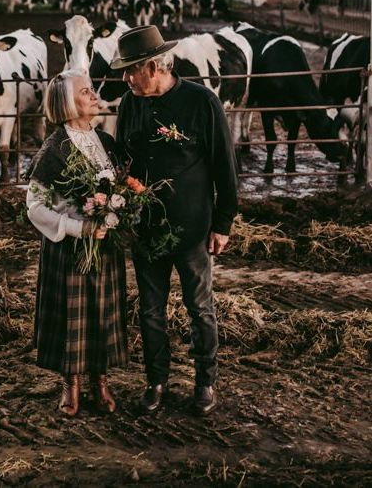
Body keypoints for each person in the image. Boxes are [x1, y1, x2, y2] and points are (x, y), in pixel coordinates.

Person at [111, 25, 237, 416]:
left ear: (154, 66)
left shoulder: (202, 103)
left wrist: (223, 223)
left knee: (199, 307)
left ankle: (205, 382)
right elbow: (121, 163)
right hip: (145, 229)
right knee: (150, 310)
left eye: (131, 70)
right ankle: (156, 381)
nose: (126, 79)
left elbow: (225, 167)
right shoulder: (129, 105)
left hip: (193, 228)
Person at [25, 69, 128, 417]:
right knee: (72, 316)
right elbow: (34, 208)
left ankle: (100, 380)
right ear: (69, 104)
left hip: (105, 247)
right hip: (69, 248)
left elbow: (118, 191)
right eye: (86, 92)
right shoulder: (54, 150)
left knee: (102, 313)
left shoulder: (106, 143)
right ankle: (70, 383)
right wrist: (76, 228)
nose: (95, 96)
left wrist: (115, 213)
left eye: (92, 89)